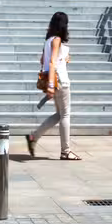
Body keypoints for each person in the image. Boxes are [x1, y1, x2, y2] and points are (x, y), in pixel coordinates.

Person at [26, 11, 80, 160]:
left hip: (55, 80)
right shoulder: (56, 40)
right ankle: (65, 151)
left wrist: (64, 59)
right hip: (60, 81)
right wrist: (50, 85)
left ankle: (33, 137)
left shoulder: (48, 40)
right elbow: (51, 63)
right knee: (65, 115)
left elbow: (43, 60)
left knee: (59, 114)